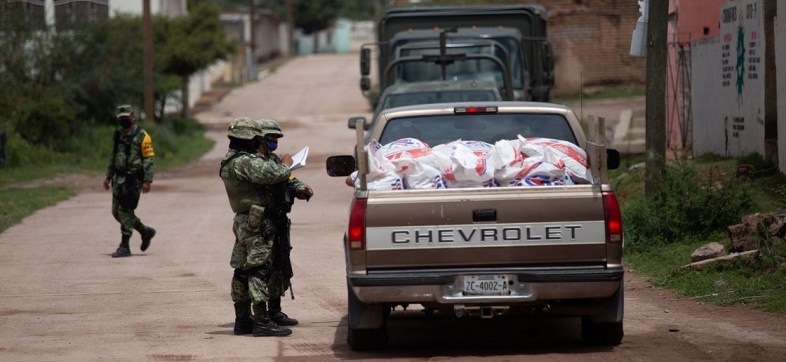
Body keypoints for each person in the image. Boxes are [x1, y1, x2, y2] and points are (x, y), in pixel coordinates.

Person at [219, 117, 313, 337]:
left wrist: (297, 186)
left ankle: (243, 319)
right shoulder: (244, 161)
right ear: (249, 138)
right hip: (256, 221)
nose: (262, 141)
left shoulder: (236, 159)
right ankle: (261, 321)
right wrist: (286, 165)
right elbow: (275, 173)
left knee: (243, 270)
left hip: (250, 220)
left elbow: (286, 178)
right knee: (259, 270)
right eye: (260, 137)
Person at [103, 105, 156, 258]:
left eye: (126, 117)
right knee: (116, 212)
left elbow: (149, 159)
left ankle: (124, 246)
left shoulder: (142, 136)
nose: (124, 120)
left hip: (133, 180)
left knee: (125, 211)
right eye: (121, 118)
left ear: (133, 116)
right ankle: (145, 231)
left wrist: (147, 180)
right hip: (118, 179)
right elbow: (113, 156)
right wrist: (108, 176)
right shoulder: (118, 135)